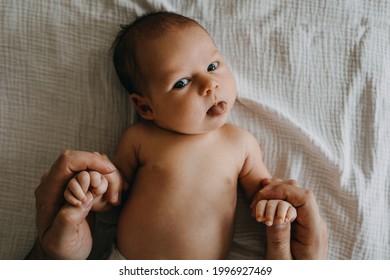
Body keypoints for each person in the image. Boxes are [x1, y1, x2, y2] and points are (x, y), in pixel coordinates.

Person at [28, 12, 328, 260]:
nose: (209, 84)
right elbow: (115, 193)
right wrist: (96, 188)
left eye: (213, 66)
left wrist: (275, 206)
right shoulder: (140, 138)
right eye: (182, 82)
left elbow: (263, 192)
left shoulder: (241, 142)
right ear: (145, 107)